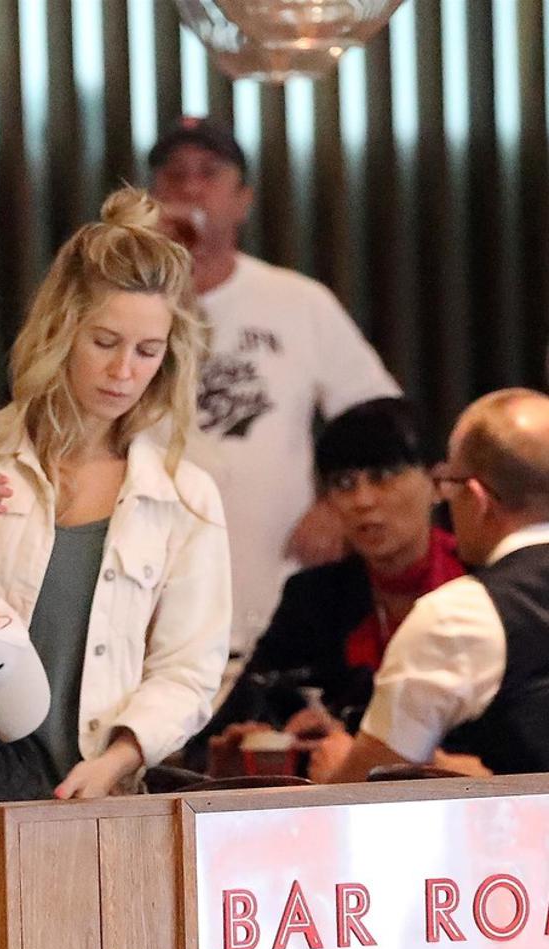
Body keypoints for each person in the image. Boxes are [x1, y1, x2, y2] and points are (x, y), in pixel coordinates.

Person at [0, 187, 231, 799]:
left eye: (147, 351)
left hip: (93, 797)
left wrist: (117, 761)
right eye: (104, 342)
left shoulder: (183, 497)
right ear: (61, 330)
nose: (123, 372)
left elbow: (188, 671)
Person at [148, 117, 400, 658]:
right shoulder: (119, 305)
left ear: (243, 200)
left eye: (209, 174)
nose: (191, 188)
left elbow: (378, 416)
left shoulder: (296, 302)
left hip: (273, 586)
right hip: (151, 592)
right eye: (175, 175)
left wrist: (337, 504)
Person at [196, 397, 465, 771]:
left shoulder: (485, 585)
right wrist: (244, 752)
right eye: (344, 483)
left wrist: (359, 756)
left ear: (439, 483)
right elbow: (227, 726)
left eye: (383, 477)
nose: (362, 500)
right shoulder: (314, 596)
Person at [319, 389, 549, 782]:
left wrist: (335, 769)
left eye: (450, 484)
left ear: (476, 497)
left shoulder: (457, 616)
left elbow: (365, 790)